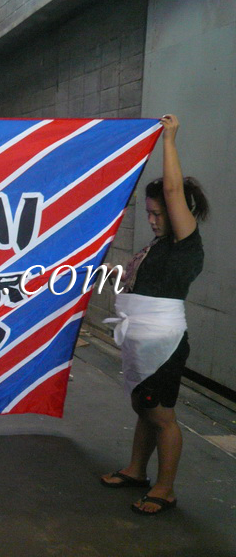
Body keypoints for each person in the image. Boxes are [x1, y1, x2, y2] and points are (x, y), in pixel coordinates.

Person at [100, 114, 209, 515]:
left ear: (180, 212)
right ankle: (136, 470)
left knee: (161, 415)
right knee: (144, 406)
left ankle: (165, 489)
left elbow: (173, 188)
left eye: (159, 213)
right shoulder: (159, 245)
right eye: (149, 212)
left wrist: (169, 139)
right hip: (141, 340)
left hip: (163, 343)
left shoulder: (185, 241)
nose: (152, 219)